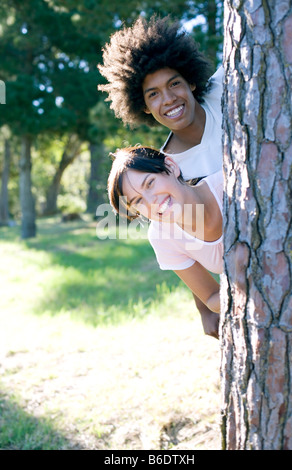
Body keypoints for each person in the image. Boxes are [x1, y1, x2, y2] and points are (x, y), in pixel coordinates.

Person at [98, 15, 223, 338]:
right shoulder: (170, 165)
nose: (168, 99)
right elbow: (187, 222)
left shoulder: (228, 89)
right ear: (144, 107)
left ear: (191, 81)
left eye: (174, 84)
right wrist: (204, 305)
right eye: (152, 94)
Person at [108, 146, 223, 328]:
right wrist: (242, 287)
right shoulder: (162, 237)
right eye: (138, 201)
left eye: (150, 183)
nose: (150, 201)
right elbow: (210, 297)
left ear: (171, 167)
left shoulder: (228, 185)